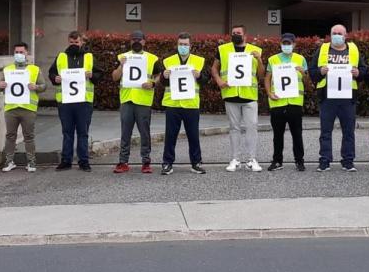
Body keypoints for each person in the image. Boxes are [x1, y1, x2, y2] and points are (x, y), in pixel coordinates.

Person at [309, 24, 366, 172]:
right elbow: (312, 72)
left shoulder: (353, 49)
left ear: (345, 35)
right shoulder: (322, 49)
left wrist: (358, 73)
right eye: (334, 33)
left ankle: (348, 161)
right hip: (327, 97)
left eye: (340, 33)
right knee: (325, 131)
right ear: (330, 35)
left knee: (348, 132)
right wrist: (320, 72)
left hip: (348, 97)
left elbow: (363, 71)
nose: (337, 35)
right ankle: (325, 160)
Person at [211, 25, 266, 172]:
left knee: (252, 127)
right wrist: (219, 81)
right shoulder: (223, 49)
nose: (235, 34)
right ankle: (235, 159)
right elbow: (214, 68)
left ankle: (251, 159)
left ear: (245, 35)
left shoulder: (256, 50)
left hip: (249, 96)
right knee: (234, 128)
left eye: (238, 33)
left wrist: (259, 60)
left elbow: (261, 75)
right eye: (233, 33)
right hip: (230, 94)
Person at [112, 30, 161, 173]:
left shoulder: (152, 58)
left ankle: (146, 162)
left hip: (143, 101)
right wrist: (121, 66)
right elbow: (114, 77)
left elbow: (159, 76)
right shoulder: (122, 57)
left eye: (139, 40)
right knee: (125, 133)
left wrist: (152, 83)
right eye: (134, 40)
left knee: (145, 133)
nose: (136, 42)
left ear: (144, 42)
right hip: (127, 100)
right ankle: (123, 162)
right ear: (130, 41)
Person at [160, 32, 209, 175]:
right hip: (173, 104)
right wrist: (164, 76)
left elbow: (206, 80)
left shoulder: (199, 61)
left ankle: (196, 163)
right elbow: (163, 82)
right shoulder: (168, 61)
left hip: (191, 104)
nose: (183, 47)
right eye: (180, 44)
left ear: (190, 46)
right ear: (177, 45)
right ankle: (167, 163)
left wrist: (200, 76)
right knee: (170, 136)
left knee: (193, 136)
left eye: (185, 44)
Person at [50, 31, 98, 171]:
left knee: (83, 133)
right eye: (71, 42)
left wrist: (92, 75)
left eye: (76, 42)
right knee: (67, 132)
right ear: (68, 42)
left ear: (82, 42)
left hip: (84, 102)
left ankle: (83, 161)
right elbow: (52, 73)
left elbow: (99, 74)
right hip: (65, 102)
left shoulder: (89, 57)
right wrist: (55, 78)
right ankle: (66, 161)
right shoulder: (61, 57)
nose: (74, 44)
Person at [0, 42, 46, 173]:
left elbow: (43, 86)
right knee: (10, 135)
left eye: (21, 52)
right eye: (16, 52)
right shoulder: (7, 69)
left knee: (28, 136)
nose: (19, 54)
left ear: (26, 53)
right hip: (11, 108)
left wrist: (36, 87)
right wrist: (0, 85)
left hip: (28, 108)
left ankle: (31, 162)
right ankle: (9, 161)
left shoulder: (34, 69)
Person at [264, 33, 308, 171]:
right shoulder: (273, 59)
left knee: (297, 134)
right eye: (284, 43)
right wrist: (269, 93)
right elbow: (267, 78)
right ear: (281, 44)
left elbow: (307, 82)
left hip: (295, 102)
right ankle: (277, 161)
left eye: (289, 43)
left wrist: (303, 73)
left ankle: (299, 161)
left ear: (294, 44)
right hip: (278, 102)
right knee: (277, 135)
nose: (287, 46)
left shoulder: (300, 59)